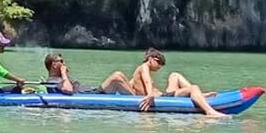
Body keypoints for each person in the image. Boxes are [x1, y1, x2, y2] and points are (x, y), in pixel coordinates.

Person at [96, 48, 227, 117]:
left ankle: (199, 96)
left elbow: (135, 83)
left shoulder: (138, 73)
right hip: (160, 97)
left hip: (163, 95)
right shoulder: (144, 67)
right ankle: (209, 111)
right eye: (159, 62)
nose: (160, 66)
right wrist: (150, 95)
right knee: (194, 87)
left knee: (175, 75)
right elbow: (147, 81)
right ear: (151, 59)